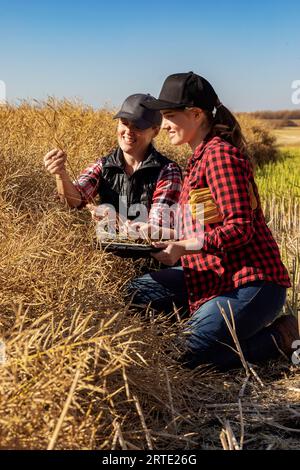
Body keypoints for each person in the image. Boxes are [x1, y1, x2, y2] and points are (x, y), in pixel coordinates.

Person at [128, 72, 298, 370]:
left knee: (183, 355)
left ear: (195, 114)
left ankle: (279, 337)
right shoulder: (198, 158)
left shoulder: (220, 156)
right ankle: (213, 321)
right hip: (213, 274)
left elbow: (240, 228)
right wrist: (159, 232)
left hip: (251, 282)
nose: (163, 124)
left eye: (169, 115)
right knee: (136, 293)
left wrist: (181, 248)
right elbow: (204, 228)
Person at [43, 93, 182, 239]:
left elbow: (156, 229)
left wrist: (120, 222)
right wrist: (61, 173)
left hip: (151, 259)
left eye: (138, 126)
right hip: (107, 256)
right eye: (124, 123)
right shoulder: (104, 165)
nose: (128, 131)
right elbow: (74, 201)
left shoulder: (168, 171)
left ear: (155, 131)